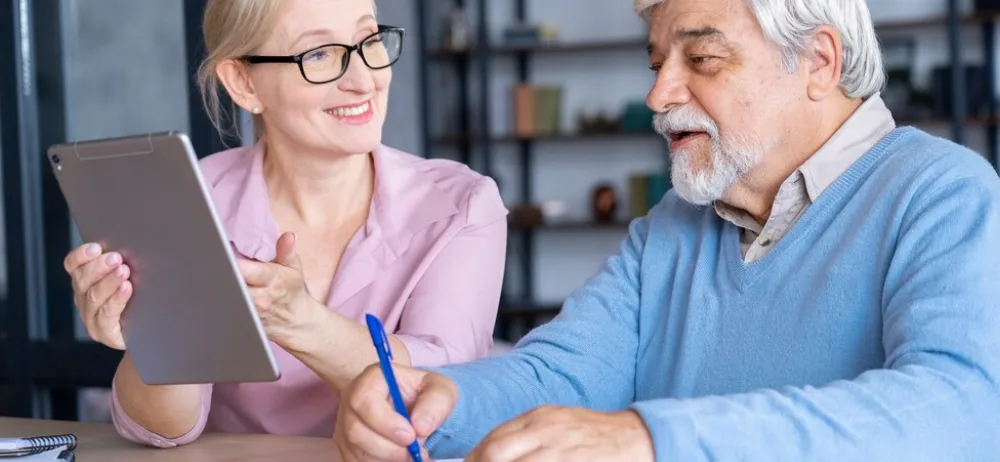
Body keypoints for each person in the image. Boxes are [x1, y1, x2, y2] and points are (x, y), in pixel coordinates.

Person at [334, 0, 1000, 460]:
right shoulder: (670, 231)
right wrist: (441, 400)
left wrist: (650, 440)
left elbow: (959, 414)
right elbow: (564, 373)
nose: (659, 94)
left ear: (819, 63)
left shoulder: (944, 194)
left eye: (702, 59)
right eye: (658, 63)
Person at [62, 0, 507, 448]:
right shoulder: (192, 204)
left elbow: (446, 403)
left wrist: (301, 322)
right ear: (243, 83)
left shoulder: (461, 205)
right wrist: (155, 337)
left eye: (369, 41)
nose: (363, 79)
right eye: (319, 55)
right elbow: (164, 429)